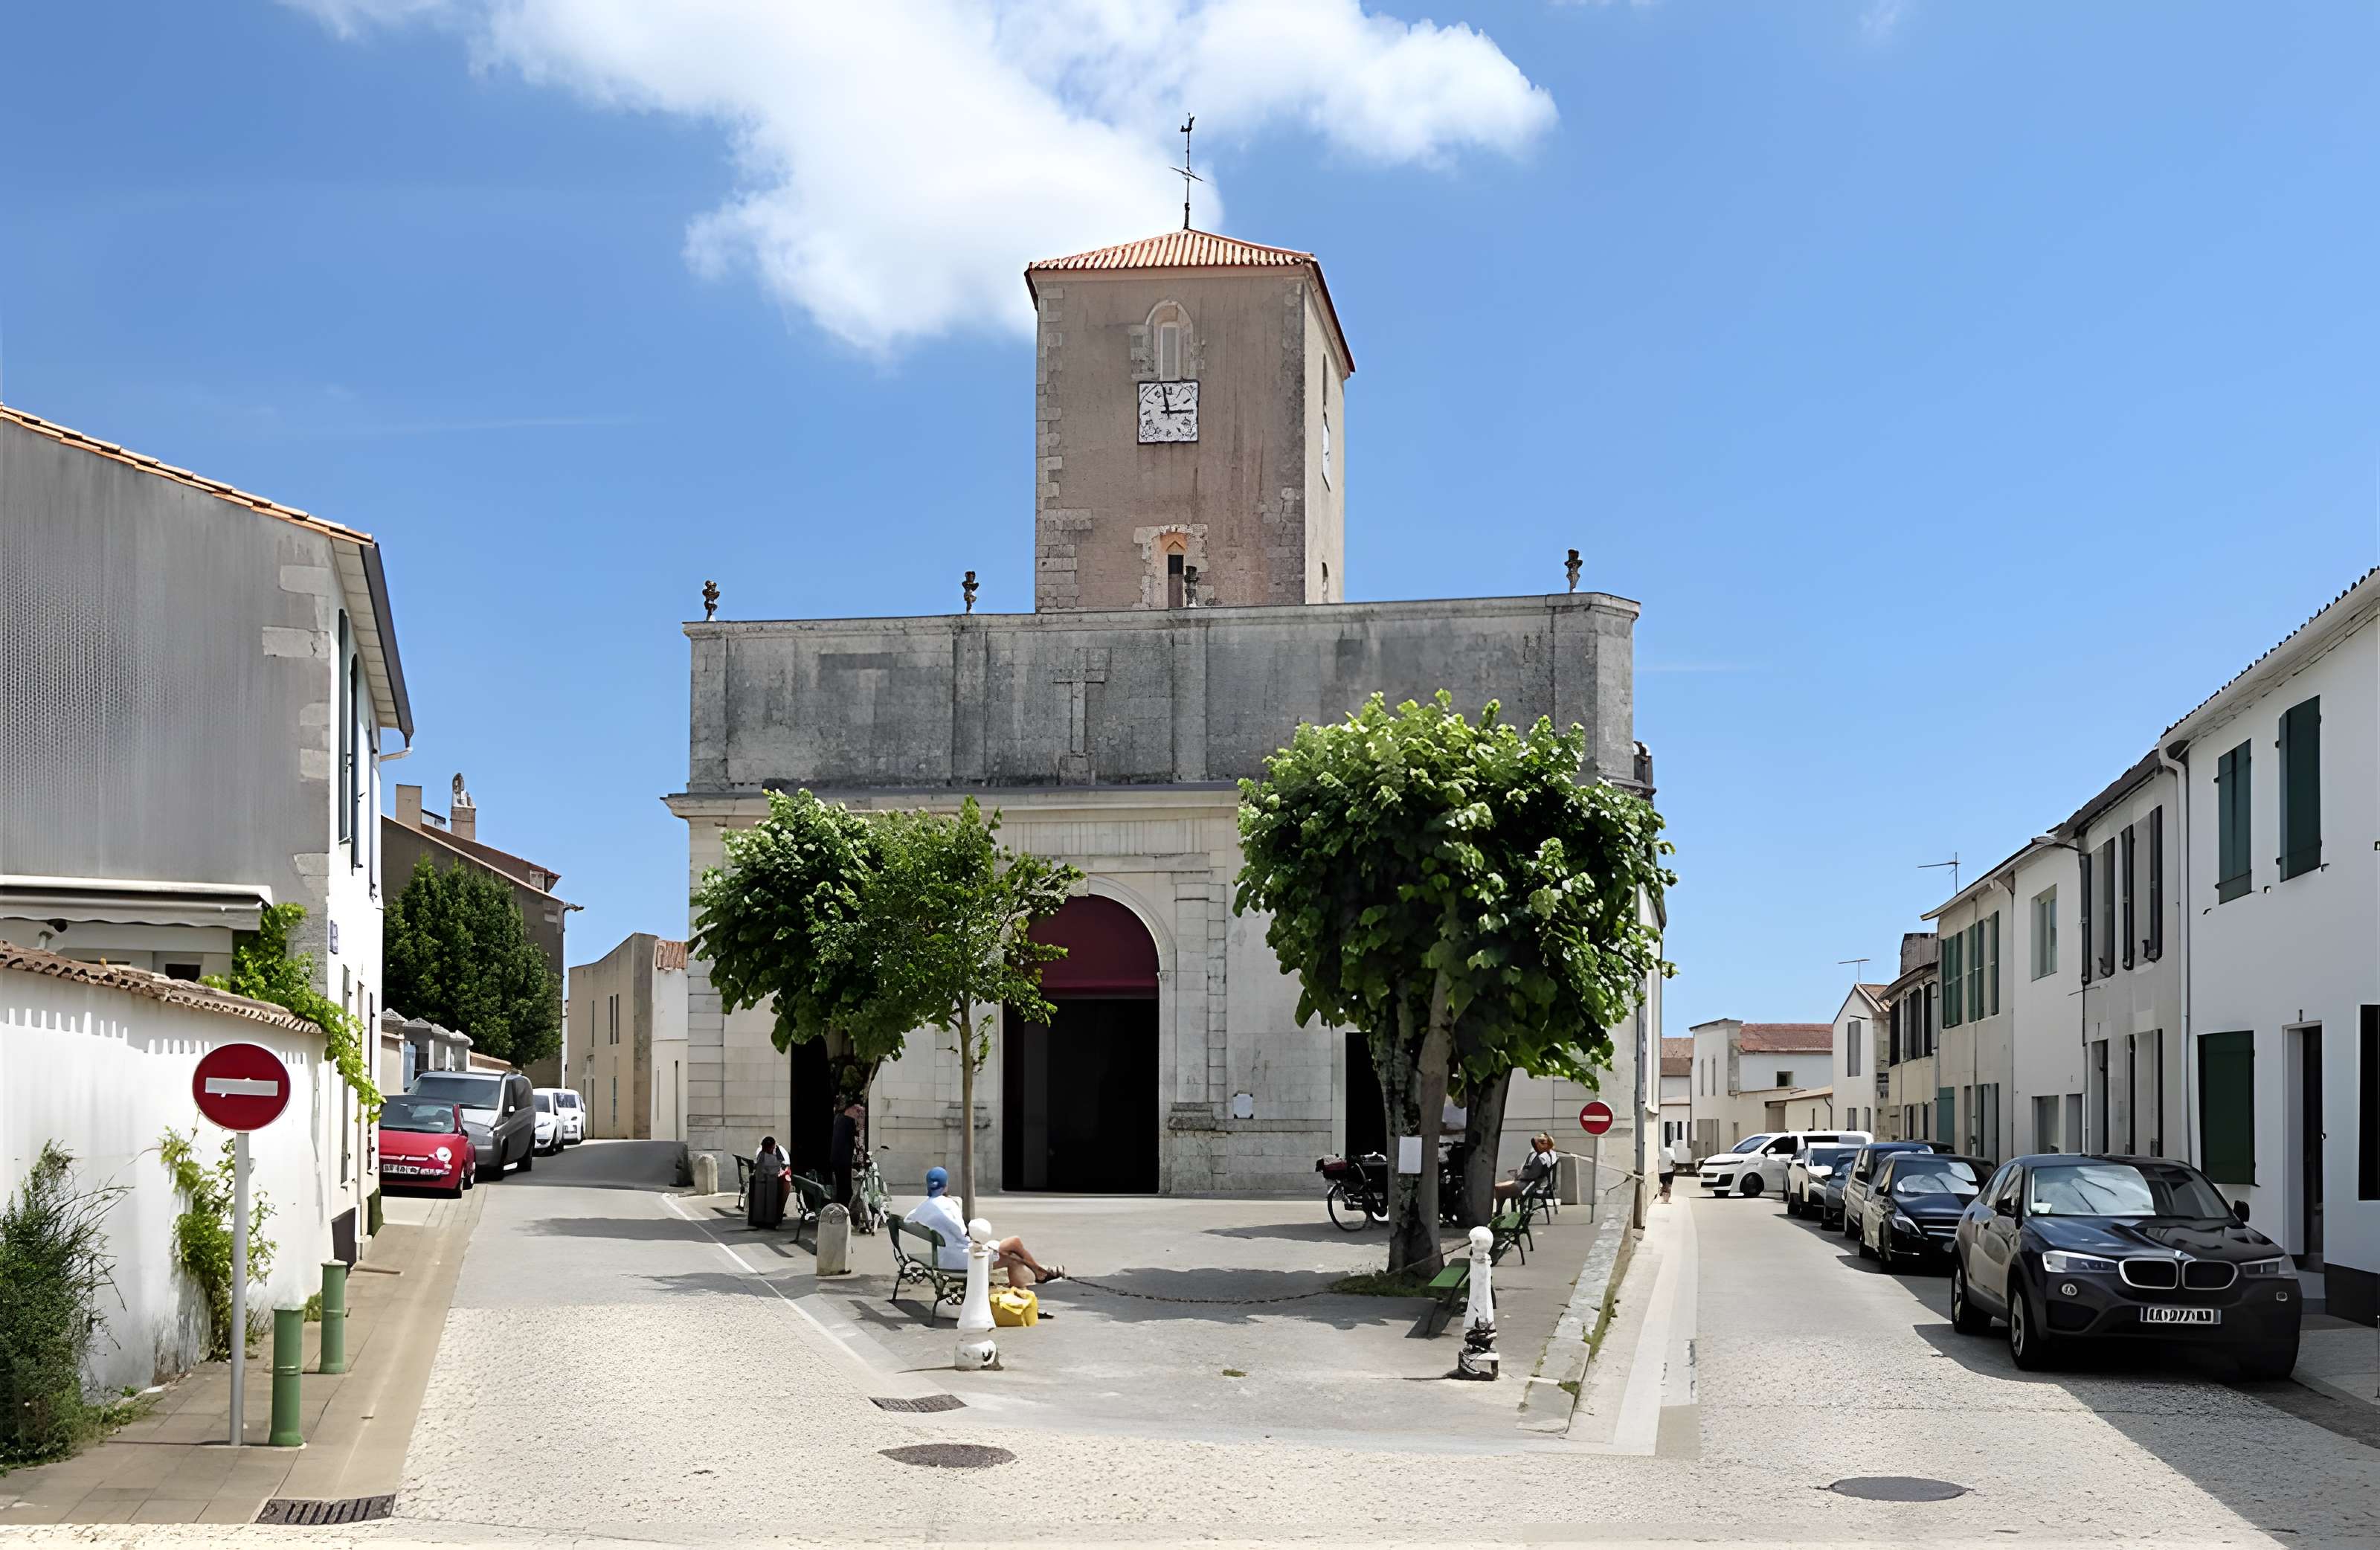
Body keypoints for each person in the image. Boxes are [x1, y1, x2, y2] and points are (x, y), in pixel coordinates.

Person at [909, 1167, 1067, 1289]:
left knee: (1011, 1249)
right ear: (946, 1185)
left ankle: (1038, 1272)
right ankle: (1032, 1281)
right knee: (1014, 1247)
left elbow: (908, 1220)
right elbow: (962, 1233)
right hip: (961, 1260)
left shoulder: (922, 1208)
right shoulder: (948, 1205)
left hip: (944, 1257)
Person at [1495, 1133, 1559, 1206]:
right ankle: (1502, 1211)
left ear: (1547, 1145)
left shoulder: (1542, 1157)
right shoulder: (1547, 1155)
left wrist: (1519, 1174)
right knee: (1499, 1187)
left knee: (1498, 1188)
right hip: (1530, 1182)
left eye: (1542, 1143)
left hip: (1529, 1185)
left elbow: (1533, 1174)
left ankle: (1499, 1212)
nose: (1537, 1145)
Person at [747, 1136, 789, 1229]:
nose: (773, 1149)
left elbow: (777, 1163)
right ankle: (764, 1221)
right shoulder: (764, 1155)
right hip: (764, 1182)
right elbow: (775, 1165)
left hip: (767, 1182)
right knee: (764, 1202)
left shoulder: (767, 1154)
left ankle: (766, 1220)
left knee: (767, 1202)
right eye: (772, 1148)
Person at [829, 1100, 864, 1207]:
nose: (861, 1117)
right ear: (855, 1110)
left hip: (839, 1160)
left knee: (841, 1186)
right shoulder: (847, 1122)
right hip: (843, 1161)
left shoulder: (839, 1119)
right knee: (844, 1186)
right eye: (860, 1114)